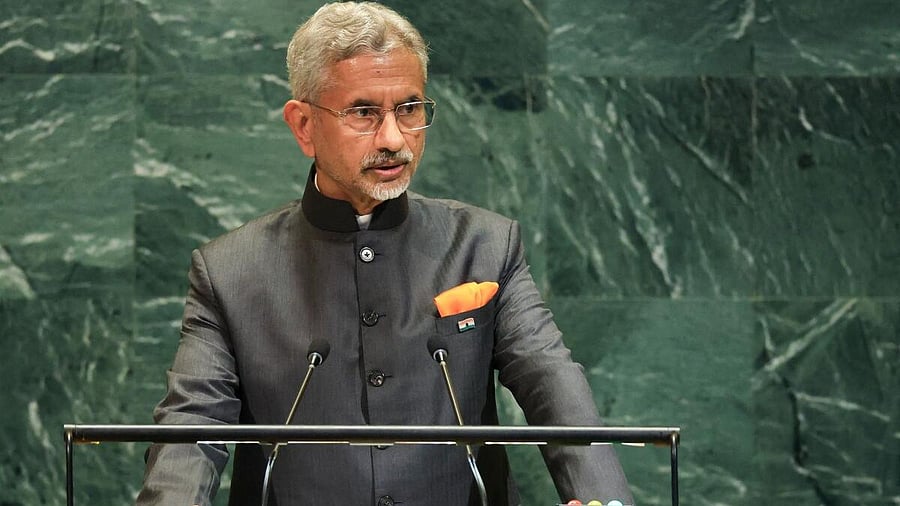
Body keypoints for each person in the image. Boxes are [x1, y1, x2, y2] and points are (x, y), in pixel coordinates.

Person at [136, 2, 633, 505]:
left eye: (410, 109)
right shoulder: (230, 271)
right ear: (303, 125)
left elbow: (550, 378)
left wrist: (601, 499)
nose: (394, 138)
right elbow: (193, 425)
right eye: (364, 112)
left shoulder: (485, 245)